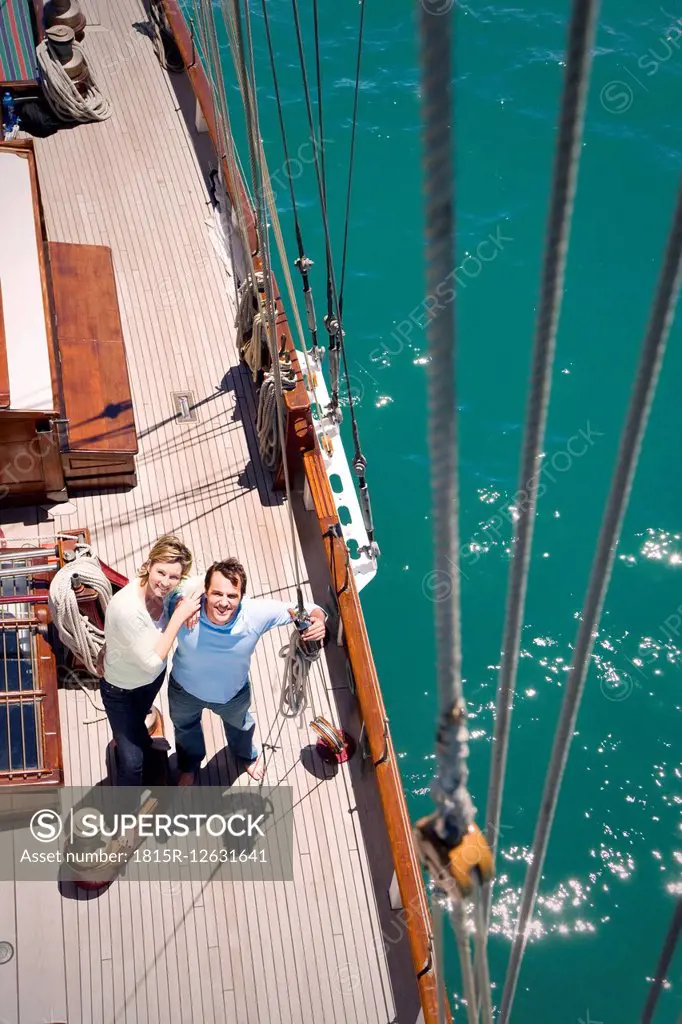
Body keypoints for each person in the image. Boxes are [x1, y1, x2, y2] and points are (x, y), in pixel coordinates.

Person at [167, 557, 327, 784]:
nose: (223, 602)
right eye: (217, 594)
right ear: (205, 591)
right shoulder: (184, 609)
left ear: (242, 596)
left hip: (231, 695)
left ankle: (246, 756)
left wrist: (318, 621)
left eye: (232, 596)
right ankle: (189, 766)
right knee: (184, 730)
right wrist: (179, 602)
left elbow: (310, 609)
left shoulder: (255, 613)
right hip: (184, 691)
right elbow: (163, 596)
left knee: (240, 727)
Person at [100, 535, 202, 787]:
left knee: (140, 722)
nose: (165, 583)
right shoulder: (126, 609)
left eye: (174, 577)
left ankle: (133, 735)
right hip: (120, 691)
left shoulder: (171, 591)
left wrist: (179, 599)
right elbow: (152, 662)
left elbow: (203, 582)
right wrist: (179, 616)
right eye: (161, 572)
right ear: (148, 565)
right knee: (132, 764)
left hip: (149, 683)